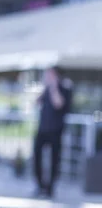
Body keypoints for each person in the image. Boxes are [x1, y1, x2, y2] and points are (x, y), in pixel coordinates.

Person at [33, 68, 72, 199]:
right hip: (42, 129)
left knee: (54, 160)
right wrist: (44, 88)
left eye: (49, 75)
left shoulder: (64, 88)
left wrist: (54, 87)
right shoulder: (46, 89)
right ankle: (40, 186)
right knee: (37, 157)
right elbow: (36, 102)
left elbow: (59, 104)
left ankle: (50, 188)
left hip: (56, 131)